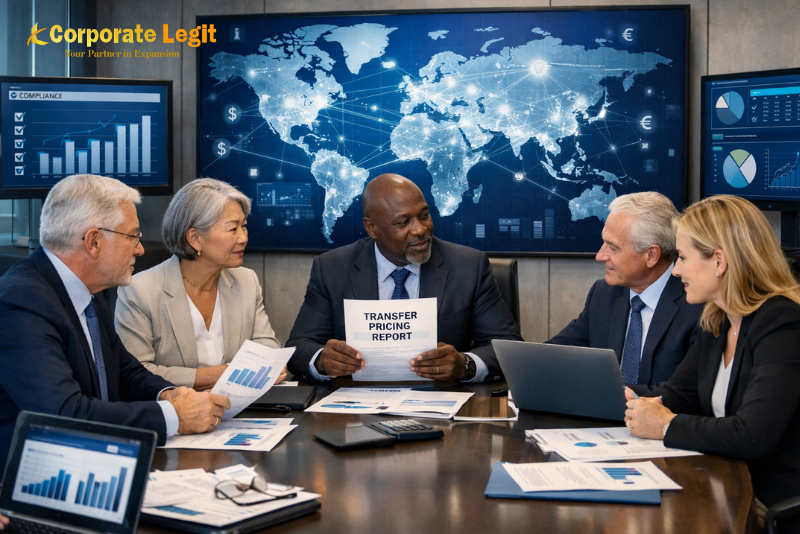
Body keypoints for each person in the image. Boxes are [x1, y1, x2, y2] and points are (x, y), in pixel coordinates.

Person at [0, 174, 230, 467]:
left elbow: (125, 372)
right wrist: (174, 416)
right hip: (36, 480)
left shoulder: (88, 291)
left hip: (94, 464)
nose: (140, 249)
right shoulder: (20, 302)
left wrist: (170, 395)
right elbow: (65, 414)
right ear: (94, 241)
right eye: (132, 236)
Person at [625, 195, 800, 511]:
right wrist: (624, 399)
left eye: (682, 257)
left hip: (772, 508)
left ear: (719, 261)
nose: (676, 271)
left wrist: (666, 425)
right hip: (725, 490)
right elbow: (678, 395)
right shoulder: (716, 320)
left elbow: (751, 434)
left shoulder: (783, 323)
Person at [286, 173, 522, 383]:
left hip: (443, 400)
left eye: (424, 215)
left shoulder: (468, 266)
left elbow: (508, 346)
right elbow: (298, 346)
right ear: (371, 228)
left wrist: (465, 365)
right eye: (403, 222)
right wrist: (322, 361)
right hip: (356, 403)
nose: (420, 229)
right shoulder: (332, 269)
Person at [115, 178, 284, 390]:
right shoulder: (140, 291)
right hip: (175, 407)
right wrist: (222, 374)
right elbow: (137, 373)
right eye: (233, 229)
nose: (243, 238)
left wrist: (272, 363)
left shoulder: (246, 281)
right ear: (194, 238)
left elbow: (266, 347)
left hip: (243, 405)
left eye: (244, 227)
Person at [548, 192, 703, 393]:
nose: (600, 256)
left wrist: (608, 394)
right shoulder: (603, 294)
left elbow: (686, 391)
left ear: (651, 255)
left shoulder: (697, 304)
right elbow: (555, 353)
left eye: (613, 247)